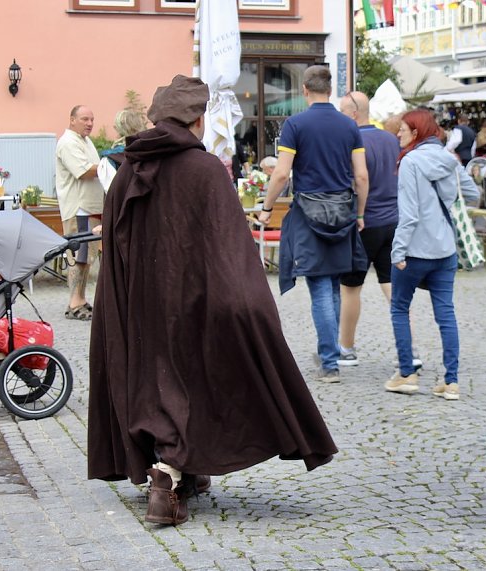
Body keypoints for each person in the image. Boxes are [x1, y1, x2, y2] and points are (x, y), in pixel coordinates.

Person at [88, 75, 337, 526]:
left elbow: (114, 253)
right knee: (197, 378)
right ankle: (164, 481)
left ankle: (186, 466)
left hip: (142, 309)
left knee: (160, 383)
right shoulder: (204, 171)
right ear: (198, 120)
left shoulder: (127, 170)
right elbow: (229, 249)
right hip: (196, 304)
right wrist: (250, 305)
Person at [258, 65, 369, 383]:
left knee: (321, 287)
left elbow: (281, 173)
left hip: (310, 212)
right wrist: (359, 214)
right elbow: (361, 176)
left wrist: (266, 208)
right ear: (330, 90)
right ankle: (329, 352)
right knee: (332, 285)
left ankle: (330, 362)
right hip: (342, 212)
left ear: (304, 90)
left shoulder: (295, 124)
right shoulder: (349, 127)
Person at [386, 108, 479, 401]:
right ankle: (450, 382)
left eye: (402, 130)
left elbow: (410, 215)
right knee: (446, 314)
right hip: (445, 249)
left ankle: (407, 374)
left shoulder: (410, 162)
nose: (398, 134)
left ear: (416, 133)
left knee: (400, 308)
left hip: (414, 251)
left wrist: (397, 251)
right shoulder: (449, 160)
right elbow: (473, 194)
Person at [335, 91, 401, 367]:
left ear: (353, 113)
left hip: (364, 222)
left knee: (350, 287)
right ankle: (408, 347)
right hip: (392, 220)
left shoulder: (352, 141)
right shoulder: (390, 138)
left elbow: (355, 179)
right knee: (392, 286)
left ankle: (347, 348)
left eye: (341, 111)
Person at [55, 105, 105, 321]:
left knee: (86, 258)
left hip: (89, 207)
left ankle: (81, 299)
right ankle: (75, 303)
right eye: (85, 118)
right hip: (79, 208)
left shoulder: (84, 141)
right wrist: (108, 165)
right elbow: (83, 171)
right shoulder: (68, 142)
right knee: (77, 257)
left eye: (92, 119)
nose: (90, 123)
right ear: (72, 119)